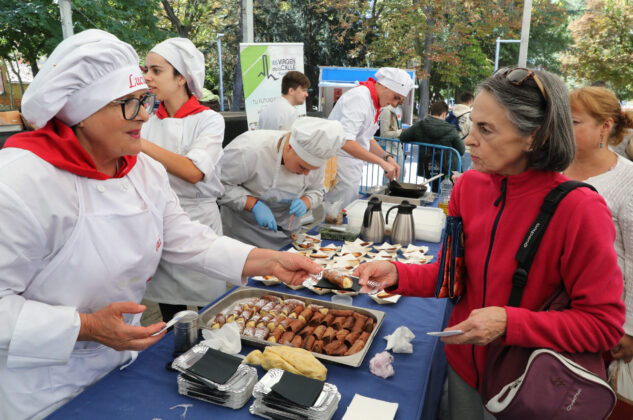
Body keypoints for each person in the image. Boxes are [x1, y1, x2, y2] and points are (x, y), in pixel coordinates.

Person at [0, 30, 320, 420]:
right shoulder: (19, 184)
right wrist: (84, 326)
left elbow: (185, 237)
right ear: (80, 112)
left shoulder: (142, 170)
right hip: (44, 387)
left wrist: (264, 261)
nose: (146, 115)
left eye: (146, 100)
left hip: (121, 366)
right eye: (129, 104)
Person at [355, 67, 625, 419]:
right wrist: (398, 274)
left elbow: (602, 326)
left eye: (486, 129)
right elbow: (454, 274)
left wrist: (508, 323)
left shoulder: (580, 209)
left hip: (529, 386)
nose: (468, 140)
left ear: (536, 137)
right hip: (464, 372)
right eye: (473, 126)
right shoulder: (468, 187)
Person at [139, 37, 229, 322]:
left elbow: (193, 172)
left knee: (212, 314)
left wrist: (135, 142)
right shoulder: (146, 121)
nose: (147, 77)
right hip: (161, 224)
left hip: (199, 222)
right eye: (146, 70)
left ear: (181, 77)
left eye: (156, 70)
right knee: (170, 314)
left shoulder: (209, 120)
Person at [565, 86, 633, 362]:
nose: (562, 128)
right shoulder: (549, 168)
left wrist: (629, 328)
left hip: (600, 321)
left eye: (573, 122)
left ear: (605, 126)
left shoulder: (628, 181)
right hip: (546, 314)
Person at [219, 117, 344, 249]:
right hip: (244, 233)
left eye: (312, 169)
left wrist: (306, 201)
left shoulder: (315, 157)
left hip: (287, 233)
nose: (306, 174)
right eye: (302, 167)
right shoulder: (250, 150)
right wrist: (253, 205)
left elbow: (317, 190)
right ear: (290, 147)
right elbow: (219, 185)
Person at [325, 67, 413, 207]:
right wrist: (381, 162)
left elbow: (367, 138)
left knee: (345, 211)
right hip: (340, 165)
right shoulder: (359, 98)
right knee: (336, 215)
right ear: (384, 86)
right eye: (396, 97)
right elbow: (346, 142)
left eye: (400, 101)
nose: (395, 104)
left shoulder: (373, 102)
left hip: (350, 166)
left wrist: (387, 157)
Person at [399, 101, 465, 184]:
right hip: (447, 168)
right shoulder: (451, 129)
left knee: (433, 189)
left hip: (428, 167)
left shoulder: (419, 125)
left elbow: (403, 137)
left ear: (430, 112)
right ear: (444, 114)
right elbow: (461, 150)